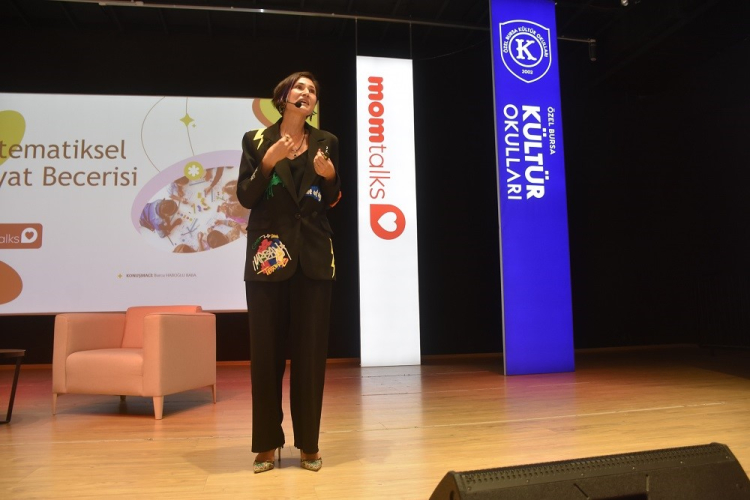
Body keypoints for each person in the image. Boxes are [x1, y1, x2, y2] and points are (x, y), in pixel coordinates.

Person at [236, 71, 340, 474]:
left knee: (311, 357)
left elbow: (331, 198)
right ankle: (266, 443)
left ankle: (309, 444)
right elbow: (246, 196)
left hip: (313, 256)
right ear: (284, 97)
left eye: (312, 90)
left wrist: (330, 177)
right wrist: (267, 162)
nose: (306, 93)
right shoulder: (256, 140)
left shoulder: (327, 141)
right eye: (300, 87)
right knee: (266, 356)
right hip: (268, 257)